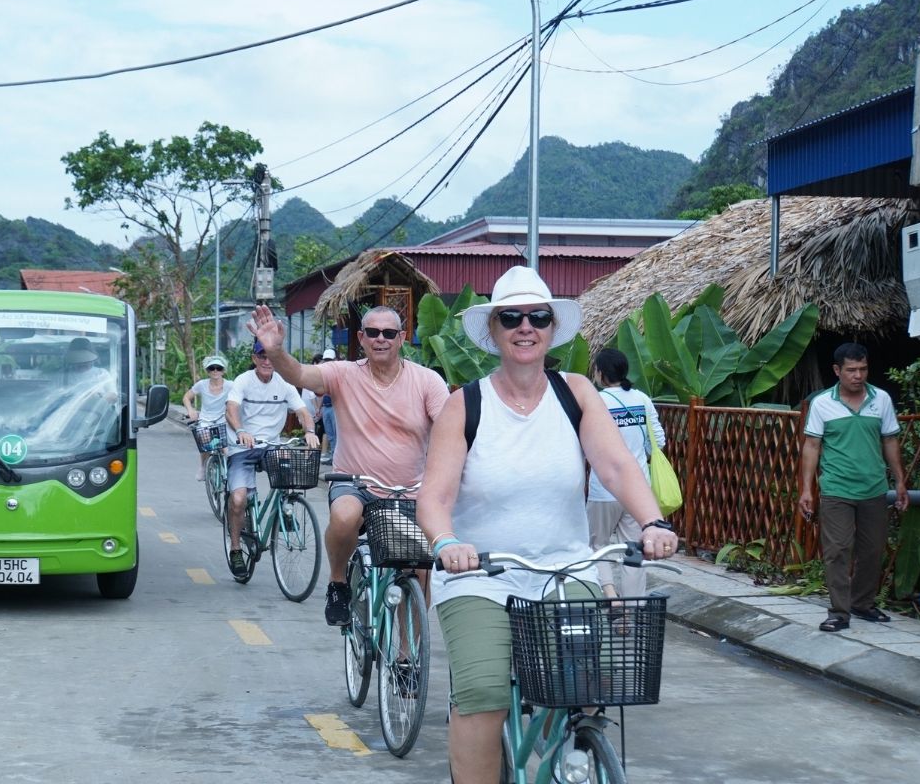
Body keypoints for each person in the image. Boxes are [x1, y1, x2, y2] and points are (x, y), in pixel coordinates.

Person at [415, 266, 678, 783]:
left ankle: (573, 755)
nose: (525, 327)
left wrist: (652, 521)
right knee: (485, 696)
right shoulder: (463, 404)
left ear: (552, 328)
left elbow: (618, 465)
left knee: (586, 689)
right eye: (510, 317)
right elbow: (435, 496)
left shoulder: (576, 392)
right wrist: (447, 541)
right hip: (480, 577)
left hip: (565, 567)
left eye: (537, 316)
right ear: (493, 331)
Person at [247, 304, 449, 626]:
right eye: (372, 332)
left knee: (419, 569)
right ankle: (338, 582)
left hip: (409, 490)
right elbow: (299, 374)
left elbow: (449, 429)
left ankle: (408, 656)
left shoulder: (427, 382)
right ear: (361, 338)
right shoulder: (342, 373)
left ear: (402, 338)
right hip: (353, 483)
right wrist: (275, 351)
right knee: (345, 516)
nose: (380, 339)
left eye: (388, 333)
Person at [798, 342, 908, 633]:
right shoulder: (823, 403)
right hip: (836, 488)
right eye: (851, 370)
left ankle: (863, 603)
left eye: (863, 369)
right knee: (837, 550)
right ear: (837, 371)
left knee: (872, 550)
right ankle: (838, 612)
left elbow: (890, 440)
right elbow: (811, 446)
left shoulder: (881, 399)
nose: (858, 375)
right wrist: (807, 490)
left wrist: (899, 481)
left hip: (874, 487)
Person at [224, 341, 319, 577]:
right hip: (242, 446)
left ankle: (285, 511)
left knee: (289, 471)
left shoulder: (284, 384)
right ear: (254, 358)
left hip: (271, 446)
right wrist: (241, 431)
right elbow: (231, 410)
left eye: (270, 357)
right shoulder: (243, 381)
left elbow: (303, 411)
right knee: (238, 499)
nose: (267, 361)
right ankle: (236, 549)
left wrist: (309, 431)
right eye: (261, 356)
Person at [587, 347, 667, 601]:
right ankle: (632, 608)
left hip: (604, 488)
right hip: (637, 489)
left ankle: (610, 596)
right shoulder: (642, 399)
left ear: (599, 372)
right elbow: (659, 441)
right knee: (634, 549)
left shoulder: (596, 402)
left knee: (595, 546)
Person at [182, 354, 233, 480]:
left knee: (227, 450)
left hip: (223, 419)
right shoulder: (202, 385)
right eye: (212, 368)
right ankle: (203, 466)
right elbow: (186, 397)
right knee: (205, 441)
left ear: (223, 371)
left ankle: (231, 474)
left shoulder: (230, 385)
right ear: (208, 371)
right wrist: (191, 410)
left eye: (219, 368)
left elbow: (241, 398)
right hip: (205, 419)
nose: (215, 371)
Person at [64, 337, 116, 402]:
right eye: (78, 359)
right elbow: (52, 397)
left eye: (86, 359)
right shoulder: (62, 375)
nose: (82, 363)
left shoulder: (101, 373)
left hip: (96, 411)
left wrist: (98, 397)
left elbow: (113, 397)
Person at [318, 347, 339, 463]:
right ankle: (333, 457)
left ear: (335, 360)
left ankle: (337, 458)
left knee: (336, 434)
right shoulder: (323, 374)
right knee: (330, 434)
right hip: (326, 407)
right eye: (326, 360)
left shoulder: (339, 373)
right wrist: (319, 408)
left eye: (329, 360)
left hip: (335, 407)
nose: (327, 362)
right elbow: (322, 393)